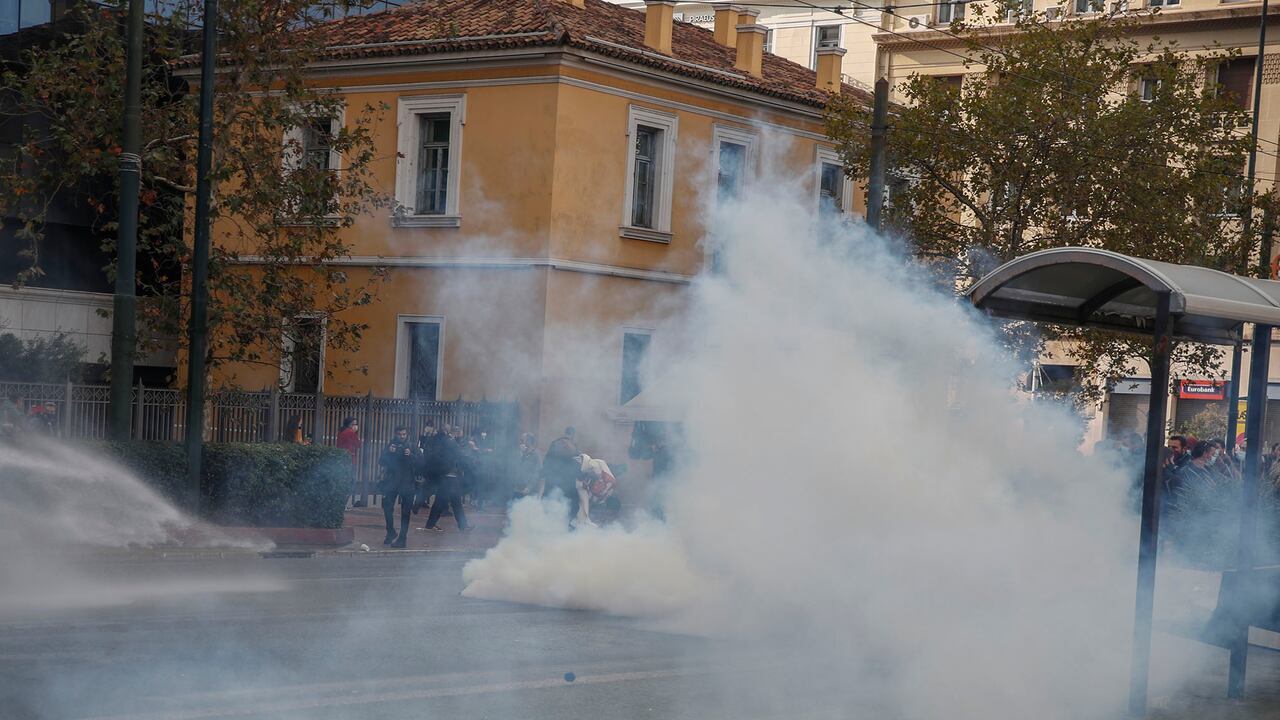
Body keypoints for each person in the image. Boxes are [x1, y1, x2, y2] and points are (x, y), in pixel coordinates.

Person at [378, 426, 421, 548]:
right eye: (399, 434)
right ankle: (390, 531)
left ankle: (402, 538)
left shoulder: (412, 447)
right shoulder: (391, 446)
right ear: (395, 434)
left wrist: (411, 455)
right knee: (387, 507)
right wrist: (388, 453)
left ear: (407, 434)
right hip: (392, 482)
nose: (402, 436)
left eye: (404, 434)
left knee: (406, 512)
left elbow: (421, 463)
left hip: (408, 483)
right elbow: (381, 461)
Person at [424, 428, 471, 532]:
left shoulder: (445, 442)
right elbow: (458, 455)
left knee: (441, 502)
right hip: (449, 476)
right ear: (456, 433)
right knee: (455, 502)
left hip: (447, 476)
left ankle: (430, 525)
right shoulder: (450, 442)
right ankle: (463, 526)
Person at [542, 426, 582, 527]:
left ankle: (547, 524)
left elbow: (546, 461)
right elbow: (577, 464)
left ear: (565, 433)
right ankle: (568, 526)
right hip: (568, 482)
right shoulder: (574, 446)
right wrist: (581, 475)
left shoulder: (554, 443)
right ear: (573, 434)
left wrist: (545, 475)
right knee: (573, 503)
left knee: (549, 501)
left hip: (552, 481)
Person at [335, 417, 363, 507]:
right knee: (351, 483)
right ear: (350, 424)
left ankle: (340, 504)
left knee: (344, 482)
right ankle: (342, 504)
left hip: (342, 460)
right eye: (354, 424)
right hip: (350, 461)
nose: (356, 426)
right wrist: (355, 433)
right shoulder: (350, 433)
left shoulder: (341, 431)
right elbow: (358, 444)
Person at [514, 433, 542, 499]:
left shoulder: (536, 455)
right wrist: (521, 454)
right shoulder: (521, 453)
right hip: (517, 488)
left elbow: (537, 473)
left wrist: (529, 487)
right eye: (520, 440)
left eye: (522, 440)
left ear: (529, 441)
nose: (520, 442)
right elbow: (515, 467)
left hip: (528, 490)